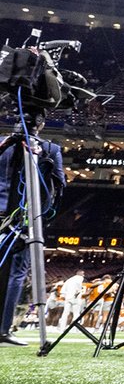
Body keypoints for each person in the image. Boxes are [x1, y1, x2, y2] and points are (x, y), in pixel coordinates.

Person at [0, 115, 66, 347]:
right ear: (42, 124)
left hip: (16, 218)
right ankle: (3, 330)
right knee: (16, 275)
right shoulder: (50, 148)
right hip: (25, 220)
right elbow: (59, 185)